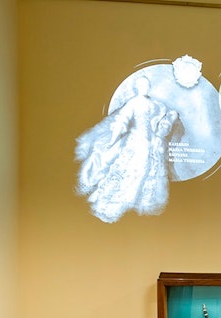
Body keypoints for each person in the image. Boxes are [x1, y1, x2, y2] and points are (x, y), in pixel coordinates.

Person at [75, 74, 178, 223]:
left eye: (147, 85)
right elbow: (121, 122)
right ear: (137, 87)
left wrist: (169, 119)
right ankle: (109, 208)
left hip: (150, 145)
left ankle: (133, 208)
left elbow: (162, 121)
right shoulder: (133, 103)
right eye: (142, 85)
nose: (145, 88)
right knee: (131, 173)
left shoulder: (155, 105)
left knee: (144, 173)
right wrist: (112, 141)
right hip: (136, 142)